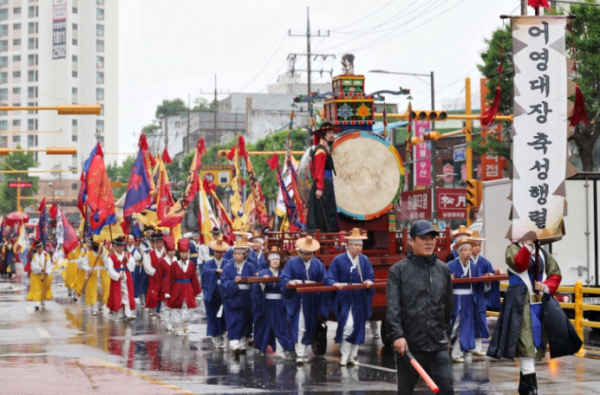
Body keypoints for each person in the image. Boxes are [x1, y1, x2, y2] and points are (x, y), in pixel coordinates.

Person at [386, 220, 454, 395]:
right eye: (423, 238)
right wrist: (397, 335)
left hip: (438, 347)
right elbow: (393, 307)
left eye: (432, 238)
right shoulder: (398, 271)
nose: (429, 242)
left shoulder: (443, 270)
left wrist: (446, 337)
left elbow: (448, 307)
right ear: (411, 241)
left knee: (446, 390)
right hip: (410, 348)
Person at [487, 240, 563, 394]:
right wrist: (528, 246)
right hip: (519, 302)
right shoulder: (512, 249)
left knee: (535, 343)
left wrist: (545, 286)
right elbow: (519, 264)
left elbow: (556, 273)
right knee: (525, 342)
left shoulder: (543, 253)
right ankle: (531, 388)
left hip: (538, 303)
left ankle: (524, 385)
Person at [324, 228, 375, 365]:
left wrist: (369, 281)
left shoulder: (364, 260)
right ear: (349, 245)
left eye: (360, 245)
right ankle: (344, 355)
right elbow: (329, 278)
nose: (359, 248)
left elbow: (371, 276)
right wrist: (335, 283)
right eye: (356, 245)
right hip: (345, 296)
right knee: (347, 325)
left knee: (358, 326)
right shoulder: (339, 260)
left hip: (359, 296)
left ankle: (353, 356)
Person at [280, 235, 326, 364]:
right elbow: (284, 278)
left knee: (310, 326)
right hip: (297, 298)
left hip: (311, 299)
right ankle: (300, 353)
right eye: (305, 254)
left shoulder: (318, 264)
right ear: (300, 252)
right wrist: (290, 282)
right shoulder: (292, 262)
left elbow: (324, 279)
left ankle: (305, 352)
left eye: (310, 254)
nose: (307, 256)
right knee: (299, 325)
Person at [251, 246, 294, 358]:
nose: (275, 261)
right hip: (266, 303)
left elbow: (287, 288)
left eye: (277, 259)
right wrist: (263, 282)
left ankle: (280, 350)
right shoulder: (263, 272)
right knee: (264, 325)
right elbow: (256, 289)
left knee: (281, 326)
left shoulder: (283, 273)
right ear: (269, 260)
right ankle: (262, 347)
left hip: (280, 304)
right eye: (273, 259)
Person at [219, 239, 257, 355]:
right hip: (234, 297)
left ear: (244, 254)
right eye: (234, 254)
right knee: (234, 319)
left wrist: (257, 276)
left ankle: (242, 342)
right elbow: (223, 282)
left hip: (247, 297)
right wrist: (233, 283)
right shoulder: (227, 267)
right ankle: (234, 342)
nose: (236, 256)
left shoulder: (250, 266)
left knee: (246, 320)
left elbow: (255, 280)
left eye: (239, 254)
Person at [467, 230, 504, 354]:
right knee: (467, 320)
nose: (477, 248)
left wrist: (494, 274)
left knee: (481, 319)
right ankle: (466, 346)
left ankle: (477, 347)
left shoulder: (485, 261)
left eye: (479, 245)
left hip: (480, 295)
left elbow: (491, 274)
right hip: (468, 295)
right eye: (474, 245)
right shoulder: (464, 261)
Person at [447, 237, 481, 363]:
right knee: (453, 326)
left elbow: (479, 283)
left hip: (468, 298)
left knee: (465, 327)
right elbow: (442, 281)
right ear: (459, 252)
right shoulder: (450, 265)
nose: (468, 253)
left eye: (469, 250)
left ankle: (456, 354)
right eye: (465, 250)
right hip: (455, 298)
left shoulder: (473, 266)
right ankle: (442, 348)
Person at [307, 122, 340, 233]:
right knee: (322, 218)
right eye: (330, 132)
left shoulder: (325, 149)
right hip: (323, 189)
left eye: (333, 132)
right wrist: (320, 188)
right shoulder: (321, 151)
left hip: (326, 187)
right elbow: (319, 170)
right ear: (323, 135)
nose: (332, 135)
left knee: (327, 217)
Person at [165, 238, 202, 336]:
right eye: (182, 252)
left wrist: (197, 292)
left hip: (188, 288)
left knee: (189, 308)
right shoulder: (174, 264)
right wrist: (168, 291)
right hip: (177, 287)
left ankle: (185, 324)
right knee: (176, 308)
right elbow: (170, 278)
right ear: (179, 253)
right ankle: (177, 327)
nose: (184, 254)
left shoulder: (191, 264)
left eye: (185, 252)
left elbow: (194, 278)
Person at [202, 237, 230, 348]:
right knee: (211, 315)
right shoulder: (208, 263)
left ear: (223, 252)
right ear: (213, 251)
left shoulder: (227, 262)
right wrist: (215, 271)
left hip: (223, 292)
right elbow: (205, 274)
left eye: (220, 252)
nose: (218, 254)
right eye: (216, 251)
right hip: (212, 292)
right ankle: (215, 338)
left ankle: (222, 331)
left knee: (225, 314)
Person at [106, 236, 136, 322]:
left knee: (127, 294)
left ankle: (128, 314)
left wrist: (128, 260)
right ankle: (116, 314)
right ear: (115, 247)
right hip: (117, 279)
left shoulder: (128, 255)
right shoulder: (111, 257)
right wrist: (118, 275)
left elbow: (132, 267)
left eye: (121, 246)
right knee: (116, 296)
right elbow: (110, 270)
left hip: (126, 278)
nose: (120, 248)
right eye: (118, 246)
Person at [79, 237, 111, 316]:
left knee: (102, 292)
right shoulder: (88, 254)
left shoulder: (103, 252)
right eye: (93, 244)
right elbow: (84, 264)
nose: (95, 245)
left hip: (102, 276)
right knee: (93, 292)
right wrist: (88, 269)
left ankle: (100, 306)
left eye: (96, 243)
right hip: (92, 275)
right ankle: (94, 309)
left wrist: (103, 254)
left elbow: (107, 263)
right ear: (92, 245)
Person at [144, 232, 167, 317]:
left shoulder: (167, 252)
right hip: (154, 277)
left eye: (161, 242)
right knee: (154, 295)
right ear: (155, 243)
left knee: (163, 294)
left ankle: (162, 312)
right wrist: (156, 273)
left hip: (164, 278)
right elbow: (147, 266)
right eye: (157, 242)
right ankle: (153, 309)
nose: (159, 244)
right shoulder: (150, 253)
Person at [27, 241, 53, 311]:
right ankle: (37, 304)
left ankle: (43, 302)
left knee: (43, 290)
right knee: (36, 289)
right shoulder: (34, 256)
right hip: (36, 276)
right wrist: (41, 269)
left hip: (44, 276)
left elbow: (49, 266)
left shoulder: (46, 255)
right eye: (38, 248)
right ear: (36, 248)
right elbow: (33, 267)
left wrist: (46, 271)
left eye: (40, 247)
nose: (39, 249)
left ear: (42, 247)